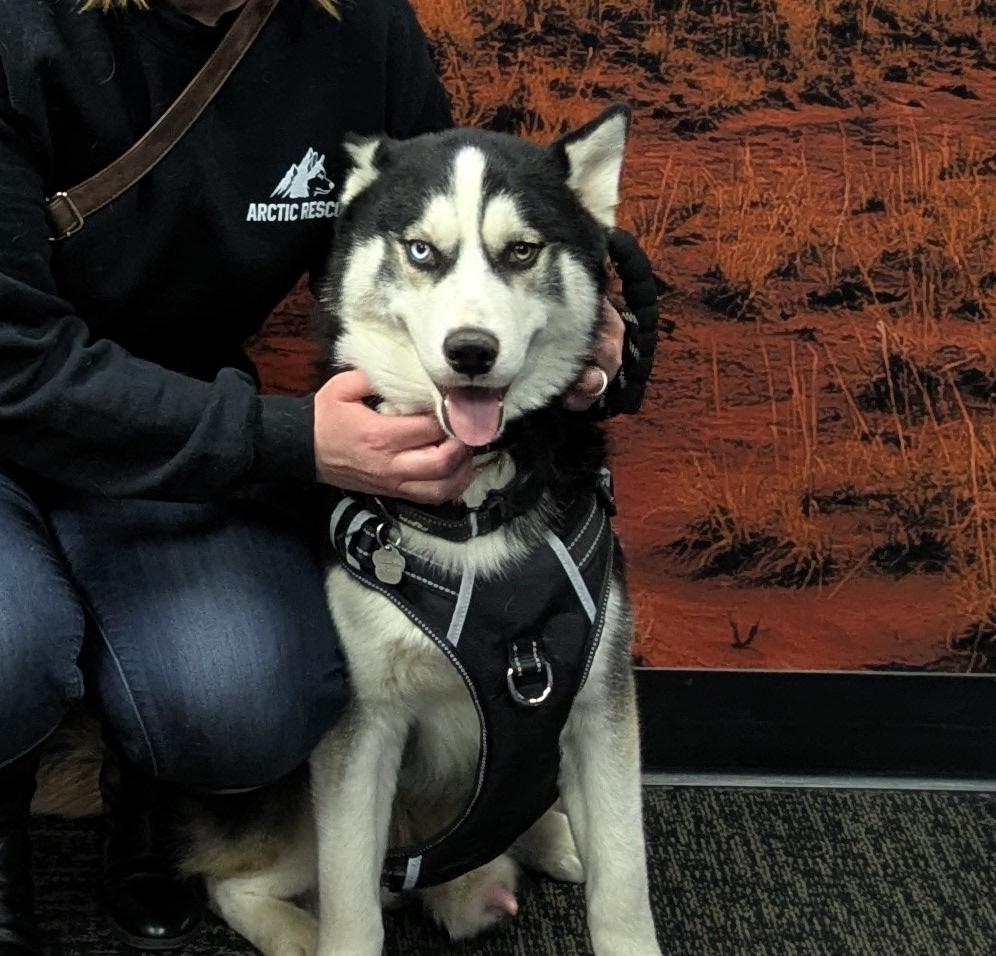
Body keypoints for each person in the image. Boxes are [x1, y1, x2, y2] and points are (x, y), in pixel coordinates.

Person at [0, 0, 655, 952]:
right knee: (6, 640)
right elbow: (17, 365)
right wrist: (294, 442)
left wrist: (602, 320)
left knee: (244, 696)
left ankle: (149, 798)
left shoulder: (357, 31)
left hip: (179, 435)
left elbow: (451, 203)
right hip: (14, 421)